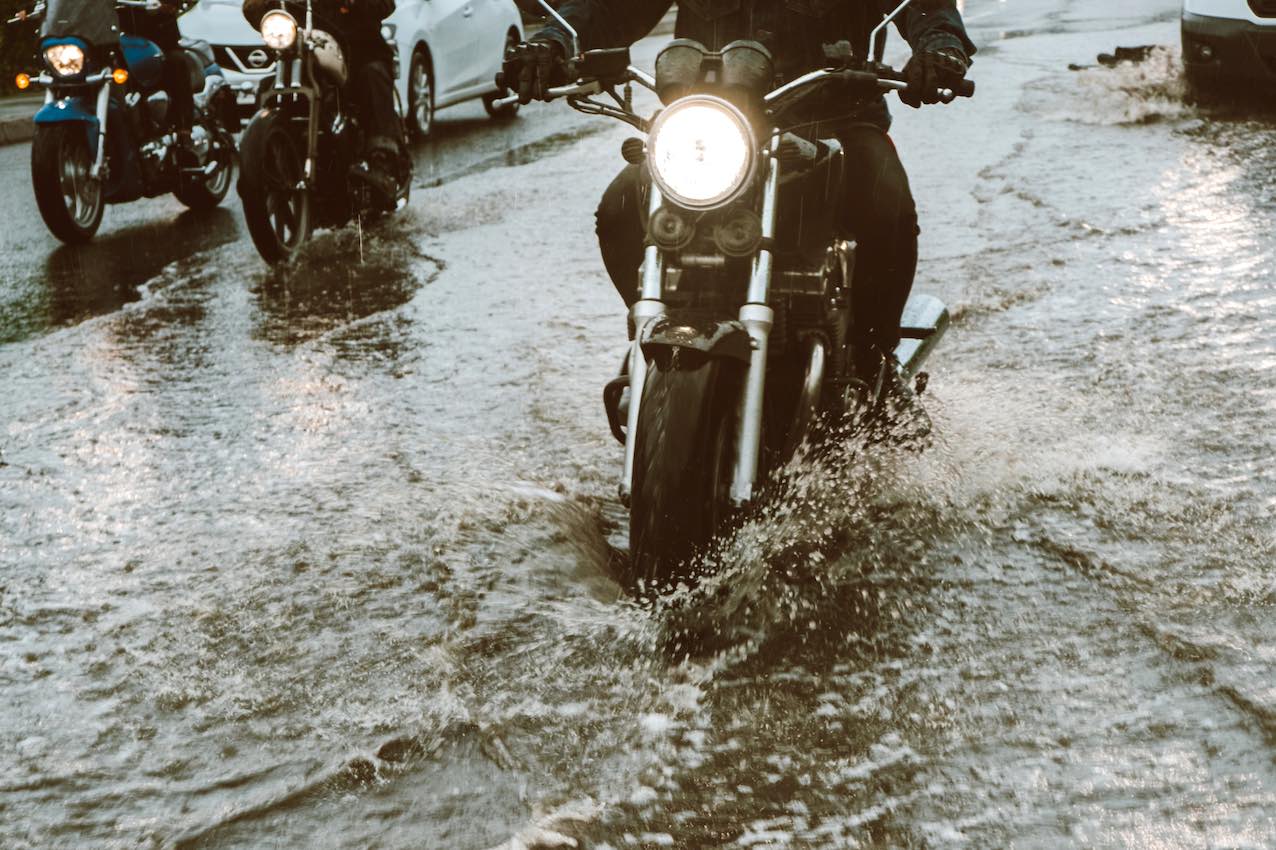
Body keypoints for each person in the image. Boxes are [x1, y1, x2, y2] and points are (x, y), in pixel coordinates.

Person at [504, 0, 975, 394]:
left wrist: (941, 46)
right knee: (621, 209)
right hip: (715, 127)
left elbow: (924, 4)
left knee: (885, 204)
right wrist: (554, 38)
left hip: (834, 117)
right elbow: (610, 6)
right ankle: (656, 337)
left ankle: (874, 368)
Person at [242, 0, 403, 207]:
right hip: (301, 48)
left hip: (357, 47)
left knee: (372, 75)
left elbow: (385, 4)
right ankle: (262, 169)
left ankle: (383, 164)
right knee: (267, 87)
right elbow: (252, 8)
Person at [118, 0, 196, 158]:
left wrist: (168, 5)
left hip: (158, 36)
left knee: (176, 62)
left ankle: (184, 131)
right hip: (118, 38)